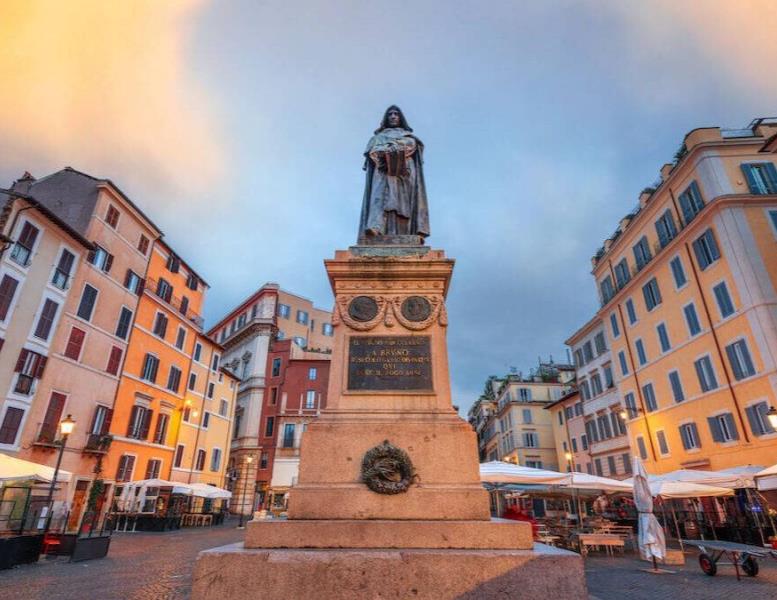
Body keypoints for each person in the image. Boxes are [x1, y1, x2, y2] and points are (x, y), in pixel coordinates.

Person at [358, 105, 430, 242]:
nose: (393, 116)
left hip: (404, 174)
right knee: (379, 198)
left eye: (396, 114)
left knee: (404, 202)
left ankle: (406, 233)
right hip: (382, 172)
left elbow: (411, 146)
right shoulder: (377, 137)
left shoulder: (409, 137)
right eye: (390, 114)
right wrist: (387, 152)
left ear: (400, 117)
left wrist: (392, 149)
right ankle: (376, 228)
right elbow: (372, 151)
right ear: (386, 118)